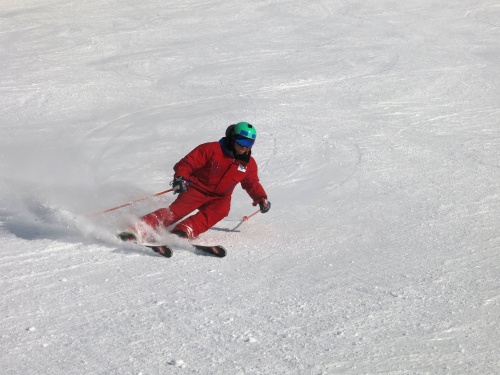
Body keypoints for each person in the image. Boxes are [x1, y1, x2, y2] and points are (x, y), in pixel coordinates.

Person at [119, 122, 271, 243]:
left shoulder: (248, 164)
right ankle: (138, 228)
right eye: (241, 142)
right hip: (197, 189)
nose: (244, 147)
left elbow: (251, 182)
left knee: (221, 210)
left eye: (249, 144)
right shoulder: (211, 149)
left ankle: (185, 230)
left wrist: (261, 197)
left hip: (220, 197)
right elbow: (186, 164)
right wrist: (180, 178)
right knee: (176, 212)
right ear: (232, 138)